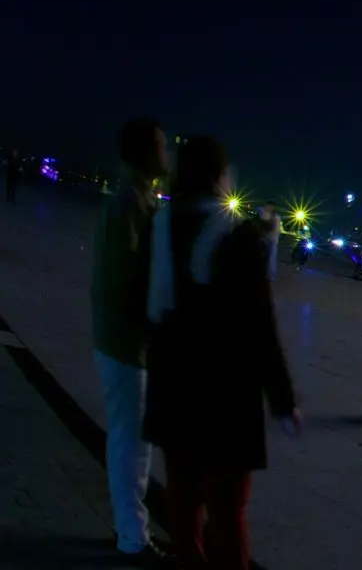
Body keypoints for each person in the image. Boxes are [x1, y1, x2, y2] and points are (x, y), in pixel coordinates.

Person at [145, 136, 300, 570]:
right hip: (224, 398)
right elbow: (259, 325)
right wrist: (283, 400)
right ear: (219, 176)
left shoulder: (162, 222)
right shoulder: (234, 234)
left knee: (182, 497)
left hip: (172, 386)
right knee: (228, 510)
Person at [91, 117, 170, 566]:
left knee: (127, 440)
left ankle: (127, 527)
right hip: (125, 346)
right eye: (161, 145)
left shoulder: (137, 200)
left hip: (120, 342)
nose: (167, 153)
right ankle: (133, 540)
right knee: (132, 446)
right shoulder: (129, 205)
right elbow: (127, 282)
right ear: (143, 153)